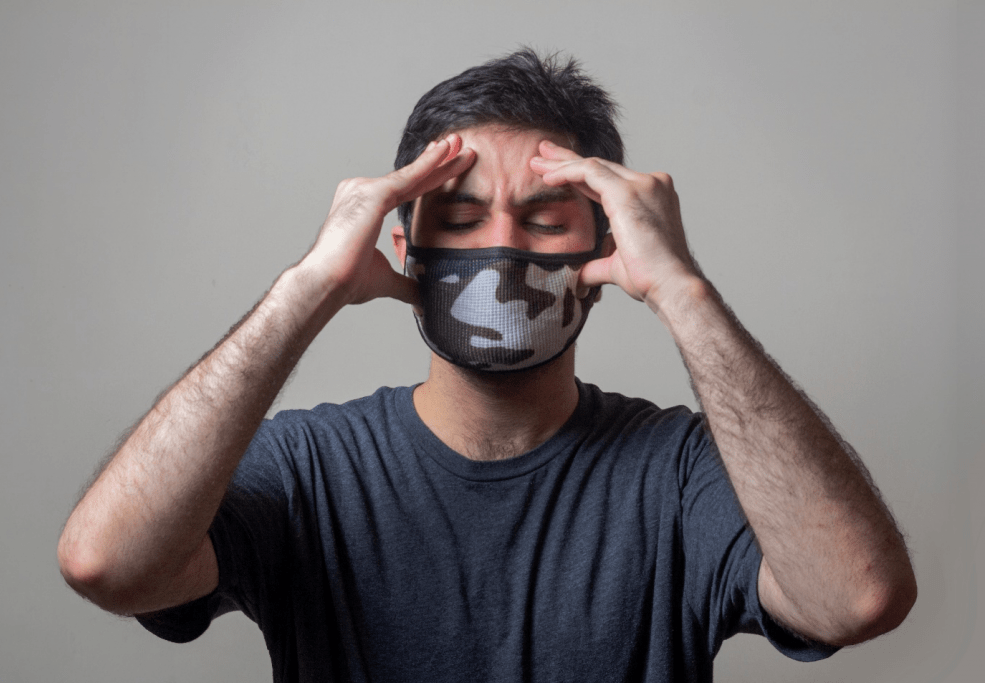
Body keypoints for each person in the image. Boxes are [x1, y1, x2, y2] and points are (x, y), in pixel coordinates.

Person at [57, 50, 917, 682]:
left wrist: (685, 290)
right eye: (461, 217)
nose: (502, 243)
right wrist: (309, 286)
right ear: (403, 243)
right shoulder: (309, 467)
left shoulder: (679, 472)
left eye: (545, 216)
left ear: (605, 251)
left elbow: (857, 597)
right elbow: (106, 563)